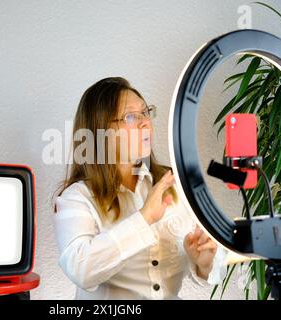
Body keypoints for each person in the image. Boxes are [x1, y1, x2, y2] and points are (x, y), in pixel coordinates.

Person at [53, 77, 226, 299]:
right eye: (131, 116)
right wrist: (144, 219)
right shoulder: (76, 198)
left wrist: (204, 262)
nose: (145, 122)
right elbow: (81, 270)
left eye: (146, 112)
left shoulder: (175, 184)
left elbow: (211, 270)